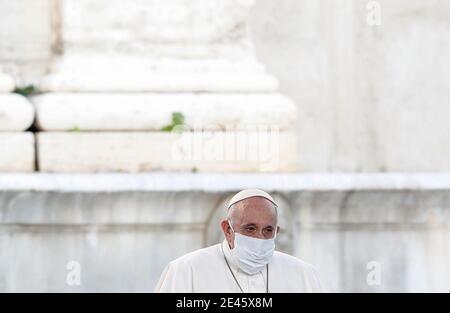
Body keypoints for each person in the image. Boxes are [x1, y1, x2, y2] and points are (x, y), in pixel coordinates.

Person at [154, 189, 322, 292]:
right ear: (228, 230)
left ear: (276, 232)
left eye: (268, 230)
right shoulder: (186, 270)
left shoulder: (303, 274)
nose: (259, 237)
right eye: (250, 228)